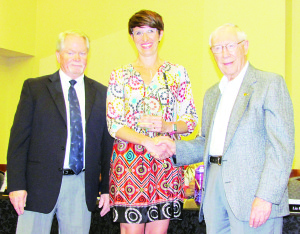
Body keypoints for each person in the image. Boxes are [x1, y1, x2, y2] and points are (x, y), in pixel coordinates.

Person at [157, 23, 295, 233]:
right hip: (214, 190)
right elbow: (206, 142)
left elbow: (281, 148)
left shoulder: (269, 84)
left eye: (230, 45)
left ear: (245, 46)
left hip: (253, 194)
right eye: (217, 48)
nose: (224, 53)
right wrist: (175, 148)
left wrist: (266, 197)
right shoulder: (212, 93)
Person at [7, 30, 114, 234]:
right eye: (70, 52)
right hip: (37, 186)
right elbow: (18, 141)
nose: (77, 58)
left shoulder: (102, 93)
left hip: (81, 187)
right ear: (58, 56)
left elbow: (107, 146)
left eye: (82, 53)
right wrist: (16, 185)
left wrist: (106, 188)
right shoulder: (35, 88)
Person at [106, 9, 198, 234]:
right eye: (138, 33)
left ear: (161, 34)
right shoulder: (120, 75)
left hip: (165, 164)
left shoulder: (177, 73)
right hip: (129, 165)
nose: (145, 39)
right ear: (131, 37)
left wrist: (168, 127)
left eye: (150, 31)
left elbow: (191, 121)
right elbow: (114, 124)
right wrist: (146, 141)